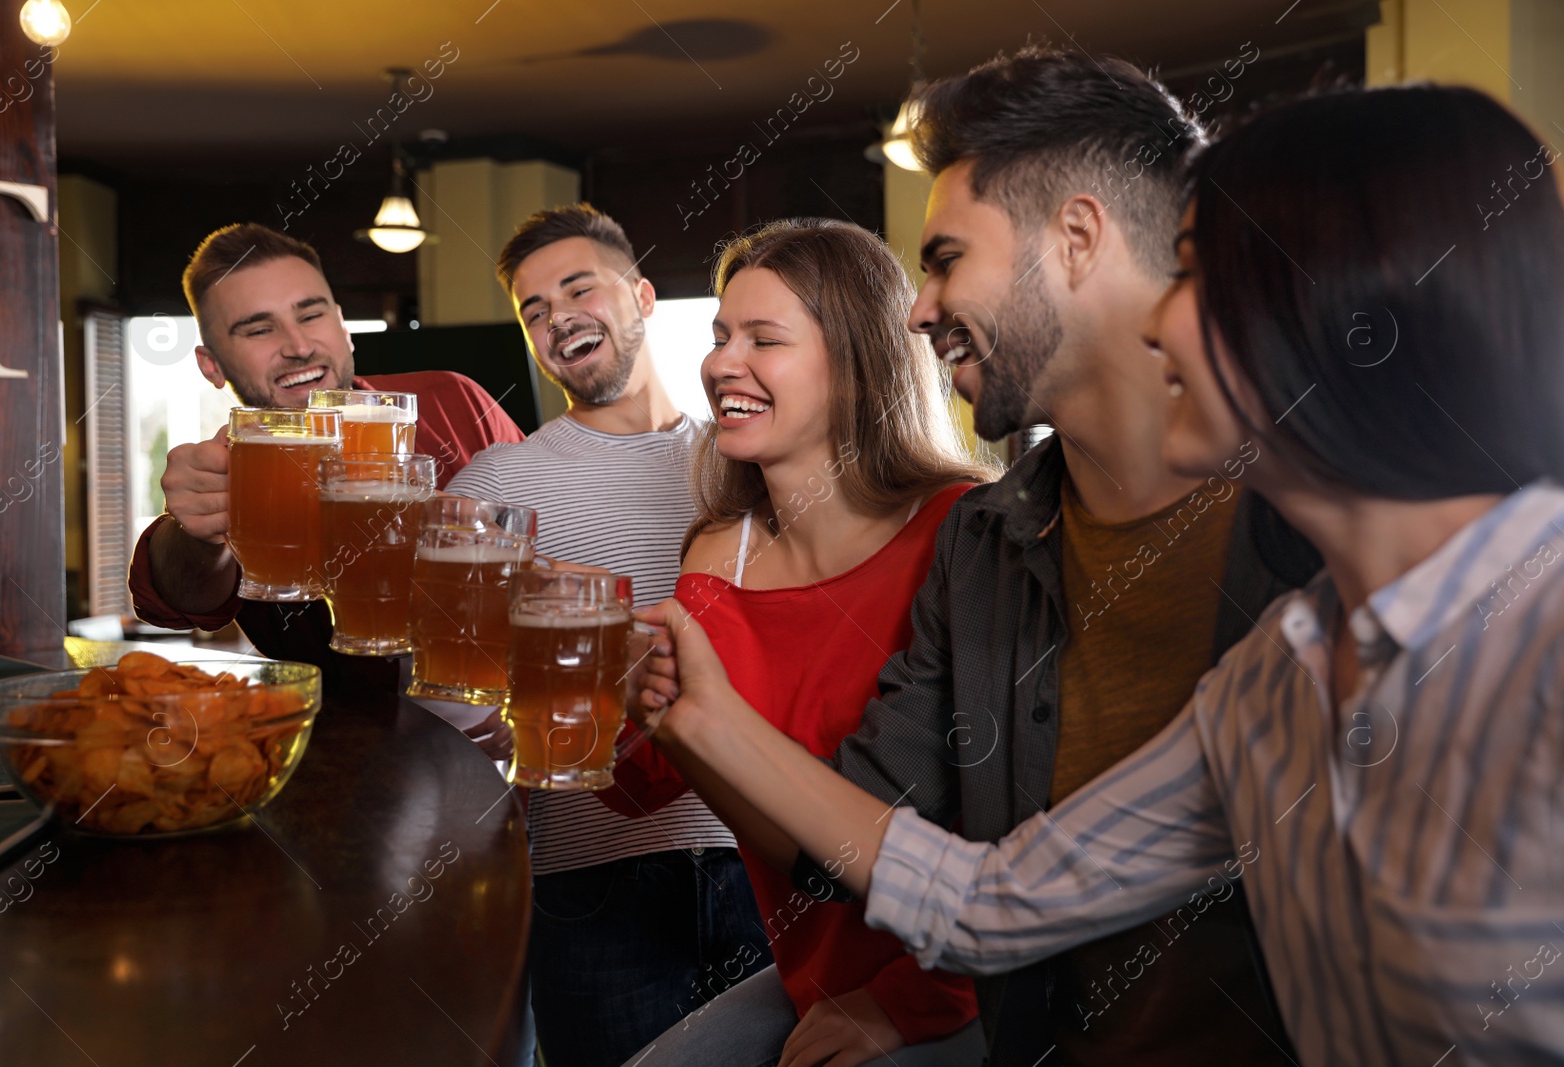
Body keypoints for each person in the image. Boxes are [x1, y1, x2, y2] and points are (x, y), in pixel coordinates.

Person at [639, 84, 1564, 1065]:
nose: (1159, 321)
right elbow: (987, 901)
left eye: (1199, 274)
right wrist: (703, 720)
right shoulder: (1271, 684)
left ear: (1340, 299)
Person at [605, 219, 990, 1067]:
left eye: (762, 339)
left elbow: (1011, 836)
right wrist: (604, 683)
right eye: (718, 337)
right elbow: (641, 789)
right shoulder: (718, 556)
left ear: (855, 367)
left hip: (965, 981)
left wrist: (902, 1005)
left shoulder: (959, 531)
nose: (719, 363)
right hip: (811, 973)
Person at [449, 204, 768, 1067]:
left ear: (643, 296)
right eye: (534, 310)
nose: (558, 318)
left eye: (577, 288)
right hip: (590, 879)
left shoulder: (750, 457)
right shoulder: (495, 485)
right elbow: (449, 698)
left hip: (768, 855)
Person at [126, 223, 524, 684]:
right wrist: (195, 533)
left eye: (311, 316)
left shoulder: (455, 399)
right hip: (344, 738)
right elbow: (182, 600)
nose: (298, 347)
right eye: (259, 328)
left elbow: (547, 529)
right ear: (211, 366)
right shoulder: (233, 465)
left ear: (343, 326)